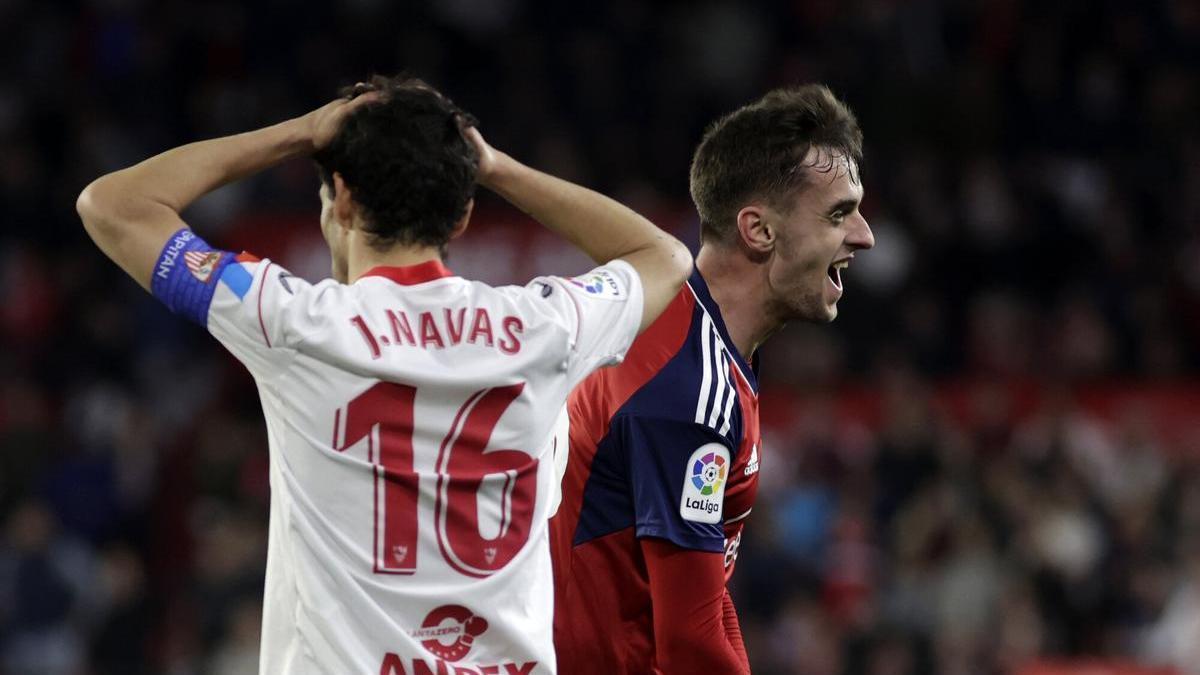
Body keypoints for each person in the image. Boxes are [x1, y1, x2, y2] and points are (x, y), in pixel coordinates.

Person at [76, 75, 691, 674]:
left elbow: (112, 205)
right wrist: (501, 168)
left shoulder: (295, 323)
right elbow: (664, 256)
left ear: (341, 199)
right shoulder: (544, 328)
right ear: (462, 217)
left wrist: (302, 131)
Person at [549, 84, 875, 674]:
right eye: (838, 214)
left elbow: (709, 591)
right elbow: (690, 644)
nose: (863, 235)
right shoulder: (685, 388)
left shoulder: (699, 344)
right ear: (759, 231)